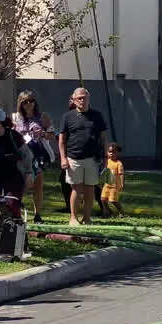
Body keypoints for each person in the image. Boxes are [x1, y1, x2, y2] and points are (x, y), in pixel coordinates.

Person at [57, 87, 108, 225]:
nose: (82, 100)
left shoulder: (97, 116)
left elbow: (103, 138)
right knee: (76, 189)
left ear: (89, 99)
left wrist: (105, 157)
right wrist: (63, 158)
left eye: (85, 97)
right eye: (79, 98)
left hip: (92, 158)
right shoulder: (67, 117)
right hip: (73, 158)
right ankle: (73, 217)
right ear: (73, 99)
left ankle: (87, 217)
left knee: (90, 189)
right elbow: (61, 140)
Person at [13, 91, 57, 224]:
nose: (28, 104)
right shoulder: (16, 118)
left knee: (37, 185)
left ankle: (37, 214)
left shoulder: (43, 117)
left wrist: (42, 133)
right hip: (21, 155)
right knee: (20, 184)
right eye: (25, 102)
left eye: (31, 101)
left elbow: (52, 135)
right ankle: (16, 212)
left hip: (37, 155)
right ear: (20, 104)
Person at [101, 143, 125, 217]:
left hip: (114, 186)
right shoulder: (106, 161)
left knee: (113, 200)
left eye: (114, 152)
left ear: (117, 153)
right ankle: (106, 213)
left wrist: (122, 183)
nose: (111, 154)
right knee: (103, 199)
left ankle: (121, 212)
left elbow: (121, 174)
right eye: (110, 152)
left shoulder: (118, 163)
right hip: (106, 185)